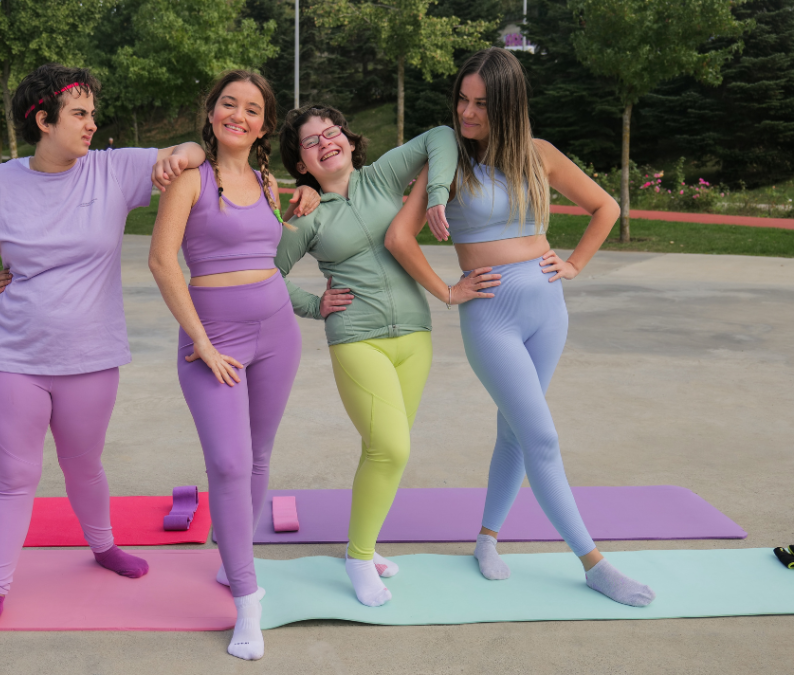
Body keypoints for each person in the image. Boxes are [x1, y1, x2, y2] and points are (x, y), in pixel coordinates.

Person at [0, 63, 207, 645]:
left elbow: (196, 150)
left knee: (84, 464)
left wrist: (179, 153)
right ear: (43, 120)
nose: (91, 123)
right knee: (15, 477)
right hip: (13, 356)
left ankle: (103, 547)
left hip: (91, 355)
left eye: (91, 113)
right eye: (79, 114)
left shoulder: (112, 170)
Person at [384, 47, 654, 607]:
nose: (467, 112)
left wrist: (575, 264)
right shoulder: (447, 161)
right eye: (462, 98)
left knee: (514, 430)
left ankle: (486, 540)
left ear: (508, 105)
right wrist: (448, 291)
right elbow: (398, 237)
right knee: (542, 437)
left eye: (481, 103)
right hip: (492, 317)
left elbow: (606, 208)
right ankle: (593, 563)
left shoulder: (539, 155)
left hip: (549, 310)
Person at [274, 105, 490, 608]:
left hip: (415, 335)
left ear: (348, 141)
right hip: (356, 338)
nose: (326, 142)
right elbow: (264, 274)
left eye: (332, 132)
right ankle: (357, 555)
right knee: (390, 448)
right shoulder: (307, 215)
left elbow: (440, 134)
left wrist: (435, 193)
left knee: (385, 454)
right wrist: (314, 305)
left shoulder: (382, 176)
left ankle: (365, 550)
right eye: (312, 142)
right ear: (302, 164)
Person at [148, 70, 320, 661]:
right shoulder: (190, 178)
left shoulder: (271, 182)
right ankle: (247, 601)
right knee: (227, 461)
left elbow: (276, 243)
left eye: (252, 109)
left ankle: (234, 560)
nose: (238, 116)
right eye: (228, 104)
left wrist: (312, 195)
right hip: (210, 340)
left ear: (264, 125)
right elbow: (162, 262)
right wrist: (201, 339)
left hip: (276, 331)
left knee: (259, 456)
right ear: (213, 111)